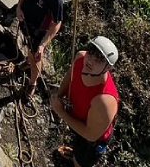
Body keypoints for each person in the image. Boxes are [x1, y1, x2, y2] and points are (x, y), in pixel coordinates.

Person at [51, 36, 120, 167]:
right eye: (91, 51)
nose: (91, 60)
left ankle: (77, 160)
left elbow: (90, 135)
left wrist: (60, 111)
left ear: (107, 67)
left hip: (92, 140)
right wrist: (59, 96)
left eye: (99, 59)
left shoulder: (105, 101)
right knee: (77, 144)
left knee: (81, 162)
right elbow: (69, 78)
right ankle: (75, 154)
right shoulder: (80, 58)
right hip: (78, 121)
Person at [16, 0, 63, 99]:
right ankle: (27, 61)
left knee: (36, 56)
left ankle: (32, 83)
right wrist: (18, 7)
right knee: (29, 50)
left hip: (40, 29)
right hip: (26, 21)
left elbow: (57, 23)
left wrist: (43, 45)